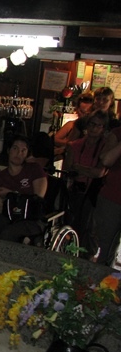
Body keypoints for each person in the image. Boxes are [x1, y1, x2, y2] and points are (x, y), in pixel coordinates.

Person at [0, 135, 48, 242]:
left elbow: (37, 201)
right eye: (15, 148)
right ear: (9, 150)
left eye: (23, 150)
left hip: (31, 218)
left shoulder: (34, 169)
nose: (19, 153)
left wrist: (12, 194)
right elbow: (1, 206)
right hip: (9, 215)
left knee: (8, 234)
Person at [64, 110, 109, 257]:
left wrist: (79, 168)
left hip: (95, 194)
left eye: (99, 126)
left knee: (91, 231)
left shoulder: (105, 147)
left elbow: (99, 173)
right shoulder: (74, 145)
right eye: (92, 124)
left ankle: (87, 258)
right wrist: (88, 171)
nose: (94, 128)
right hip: (76, 192)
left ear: (103, 129)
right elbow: (68, 168)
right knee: (72, 226)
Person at [92, 120, 121, 266]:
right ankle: (102, 283)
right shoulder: (117, 134)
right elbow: (106, 160)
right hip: (113, 198)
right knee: (106, 246)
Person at [53, 91, 94, 158]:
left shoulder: (95, 128)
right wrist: (70, 143)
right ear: (77, 110)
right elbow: (55, 139)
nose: (85, 115)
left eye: (88, 112)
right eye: (82, 111)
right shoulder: (71, 124)